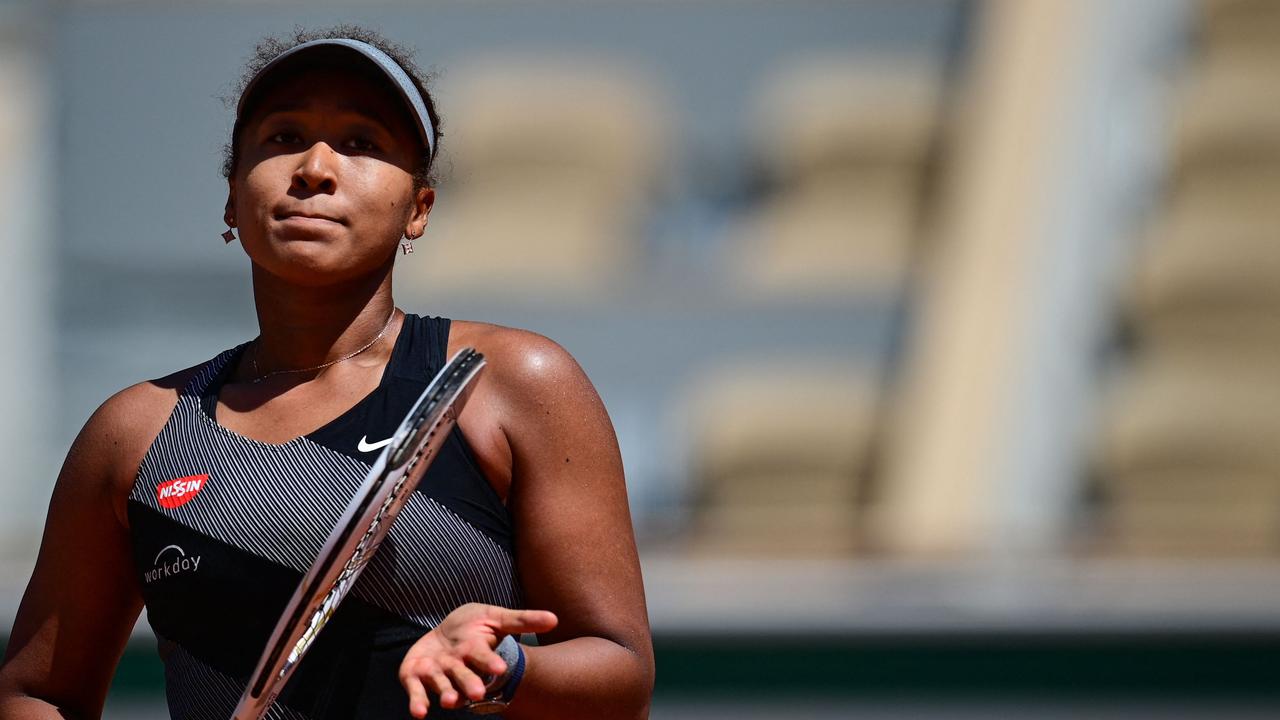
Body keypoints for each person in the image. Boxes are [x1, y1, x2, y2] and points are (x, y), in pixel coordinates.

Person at [0, 25, 654, 720]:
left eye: (361, 143)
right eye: (282, 137)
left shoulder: (508, 382)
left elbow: (622, 676)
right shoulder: (132, 435)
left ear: (419, 209)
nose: (314, 167)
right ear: (231, 199)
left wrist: (504, 665)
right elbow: (39, 691)